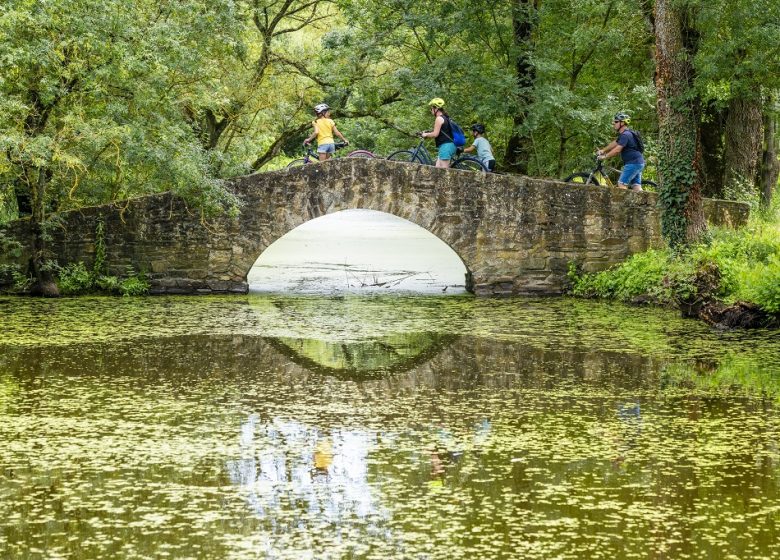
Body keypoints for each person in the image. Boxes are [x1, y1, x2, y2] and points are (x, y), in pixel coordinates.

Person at [597, 112, 645, 191]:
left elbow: (617, 150)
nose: (614, 123)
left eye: (616, 122)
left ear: (622, 123)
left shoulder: (625, 135)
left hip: (633, 164)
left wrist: (605, 157)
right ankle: (644, 203)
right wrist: (603, 150)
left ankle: (625, 204)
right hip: (638, 163)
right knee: (636, 187)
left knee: (621, 184)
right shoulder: (627, 134)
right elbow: (615, 143)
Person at [420, 98, 456, 169]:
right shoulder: (446, 118)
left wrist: (425, 134)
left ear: (436, 108)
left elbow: (435, 134)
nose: (431, 111)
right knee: (437, 170)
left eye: (431, 108)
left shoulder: (439, 118)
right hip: (449, 146)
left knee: (443, 173)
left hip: (446, 147)